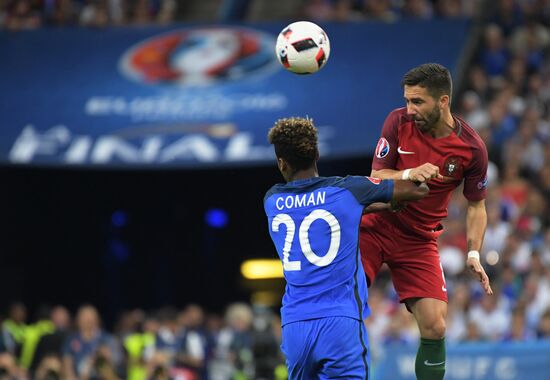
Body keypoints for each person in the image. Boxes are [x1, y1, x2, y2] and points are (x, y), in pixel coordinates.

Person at [264, 117, 429, 379]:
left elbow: (318, 207)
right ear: (317, 154)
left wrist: (367, 205)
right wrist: (402, 183)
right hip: (340, 322)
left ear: (282, 163)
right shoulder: (348, 191)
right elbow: (417, 191)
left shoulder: (272, 200)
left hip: (295, 327)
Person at [359, 63, 494, 380]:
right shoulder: (397, 121)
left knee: (435, 325)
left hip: (418, 240)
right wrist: (408, 173)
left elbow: (477, 205)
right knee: (346, 307)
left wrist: (474, 253)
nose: (409, 109)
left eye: (417, 102)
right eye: (407, 100)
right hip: (376, 226)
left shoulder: (472, 149)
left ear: (443, 101)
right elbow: (377, 175)